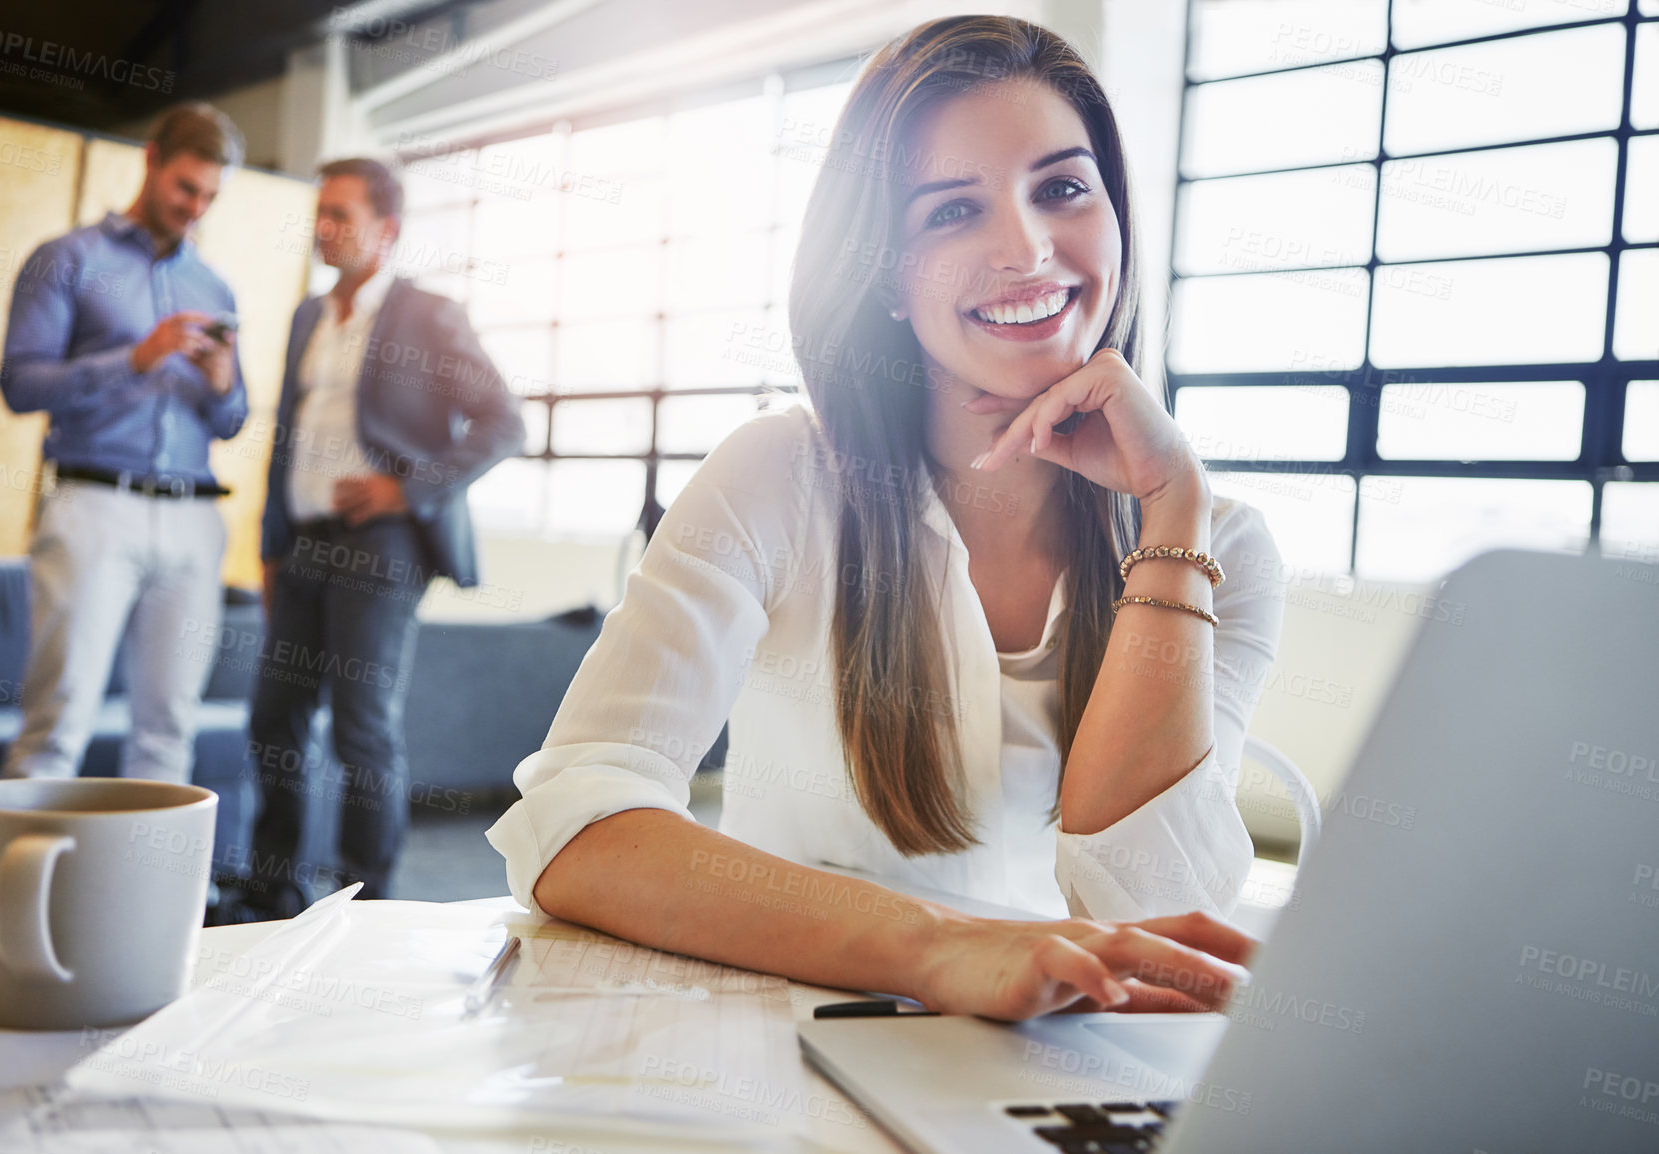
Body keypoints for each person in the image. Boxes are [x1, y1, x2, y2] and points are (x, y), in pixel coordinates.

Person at [487, 16, 1287, 1021]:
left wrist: (1172, 512)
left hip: (1062, 1059)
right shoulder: (779, 475)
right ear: (885, 275)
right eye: (951, 211)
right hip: (787, 1047)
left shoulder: (1221, 540)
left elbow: (1152, 906)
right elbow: (570, 825)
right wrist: (943, 947)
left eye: (1062, 188)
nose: (1028, 249)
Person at [229, 158, 525, 919]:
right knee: (274, 718)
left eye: (342, 215)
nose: (324, 228)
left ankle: (367, 907)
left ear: (386, 231)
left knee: (361, 727)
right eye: (319, 212)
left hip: (381, 545)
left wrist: (407, 486)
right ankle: (274, 890)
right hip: (301, 545)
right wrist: (269, 548)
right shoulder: (307, 316)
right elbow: (287, 440)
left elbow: (503, 422)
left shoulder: (427, 315)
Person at [0, 102, 248, 785]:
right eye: (185, 188)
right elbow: (19, 385)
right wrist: (136, 358)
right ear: (151, 160)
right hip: (93, 506)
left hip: (194, 520)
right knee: (59, 717)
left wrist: (224, 384)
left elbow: (232, 420)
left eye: (210, 196)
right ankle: (16, 895)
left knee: (169, 729)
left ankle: (148, 894)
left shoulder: (214, 286)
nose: (195, 207)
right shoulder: (67, 259)